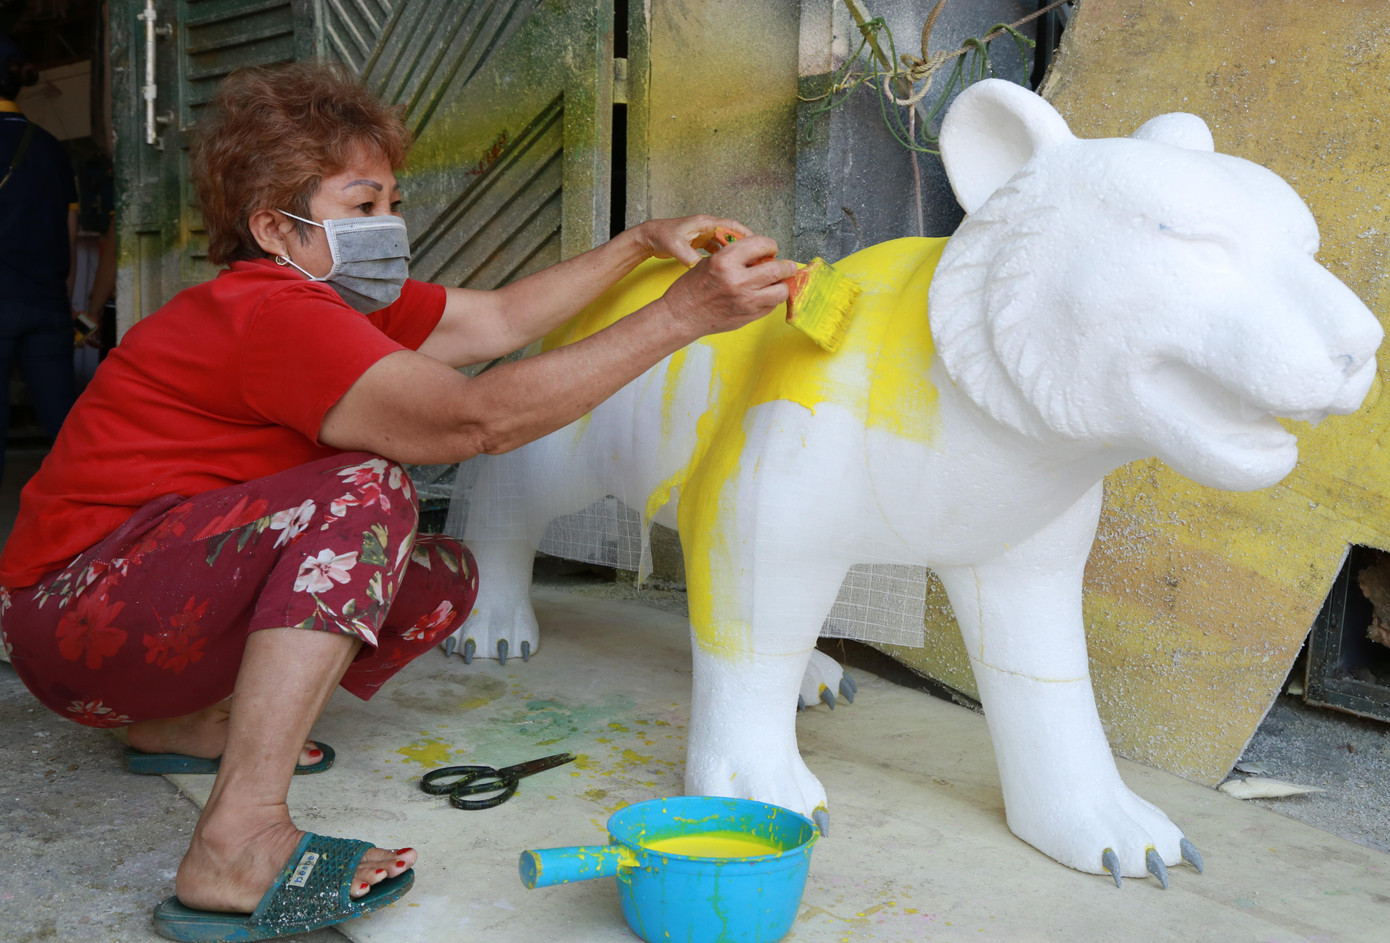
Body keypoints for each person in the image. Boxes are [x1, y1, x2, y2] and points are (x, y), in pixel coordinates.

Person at [0, 61, 794, 941]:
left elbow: (495, 322)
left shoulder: (338, 301)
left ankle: (178, 723)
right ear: (275, 227)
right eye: (364, 204)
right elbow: (475, 420)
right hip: (72, 617)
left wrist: (642, 242)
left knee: (438, 575)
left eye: (392, 202)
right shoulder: (274, 313)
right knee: (365, 493)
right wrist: (682, 315)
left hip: (115, 626)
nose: (394, 225)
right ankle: (238, 839)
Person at [0, 33, 77, 486]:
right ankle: (92, 536)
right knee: (65, 428)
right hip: (48, 304)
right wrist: (62, 296)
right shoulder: (50, 146)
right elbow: (67, 231)